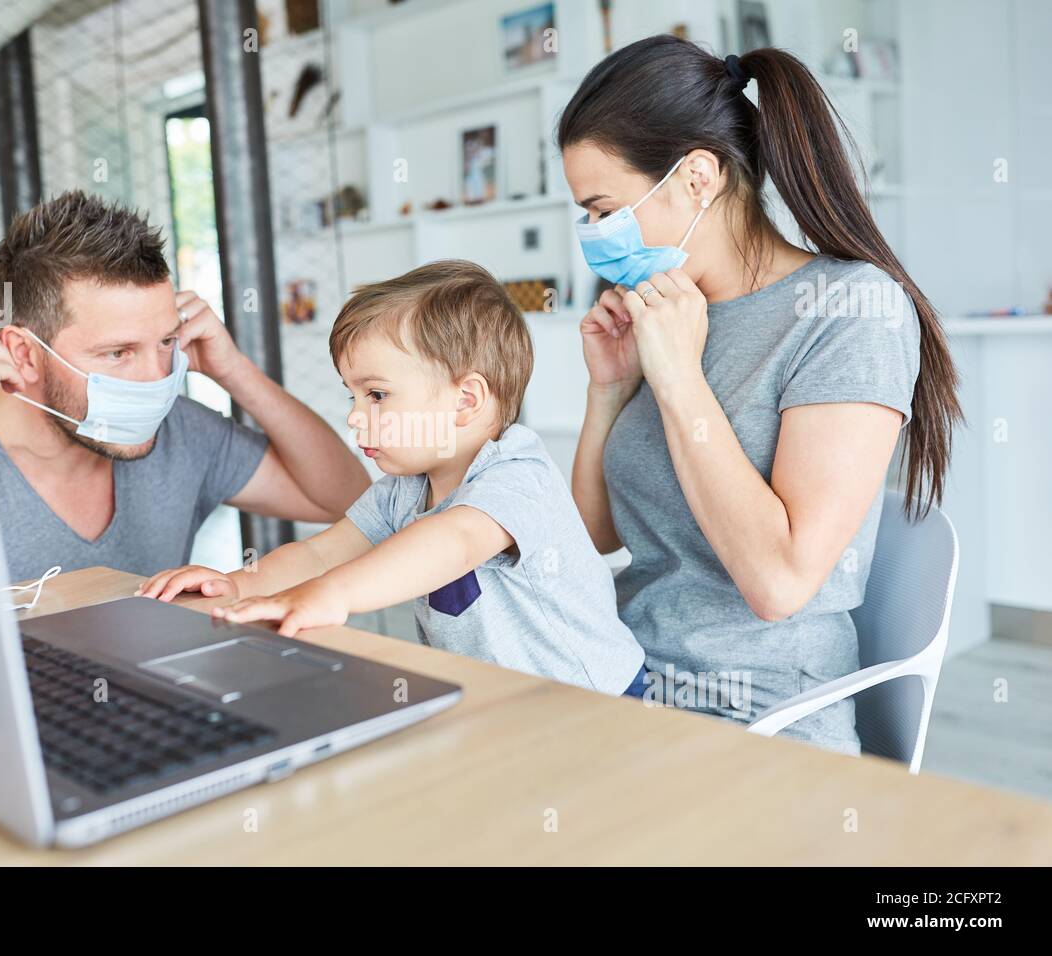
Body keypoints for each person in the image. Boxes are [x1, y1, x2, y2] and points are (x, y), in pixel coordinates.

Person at [558, 37, 961, 754]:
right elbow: (597, 535)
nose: (593, 235)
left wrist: (680, 381)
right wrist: (610, 390)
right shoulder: (665, 308)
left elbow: (778, 584)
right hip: (624, 683)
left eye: (603, 208)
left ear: (697, 177)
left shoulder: (849, 311)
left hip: (761, 722)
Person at [138, 261, 647, 696]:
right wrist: (235, 583)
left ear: (465, 400)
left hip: (600, 703)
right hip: (508, 704)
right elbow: (319, 553)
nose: (356, 417)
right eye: (352, 396)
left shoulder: (517, 475)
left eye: (377, 395)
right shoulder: (403, 491)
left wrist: (331, 595)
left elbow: (453, 540)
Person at [0, 190, 370, 582]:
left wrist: (235, 371)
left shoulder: (180, 432)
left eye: (165, 342)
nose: (156, 377)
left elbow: (346, 499)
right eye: (118, 353)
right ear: (24, 353)